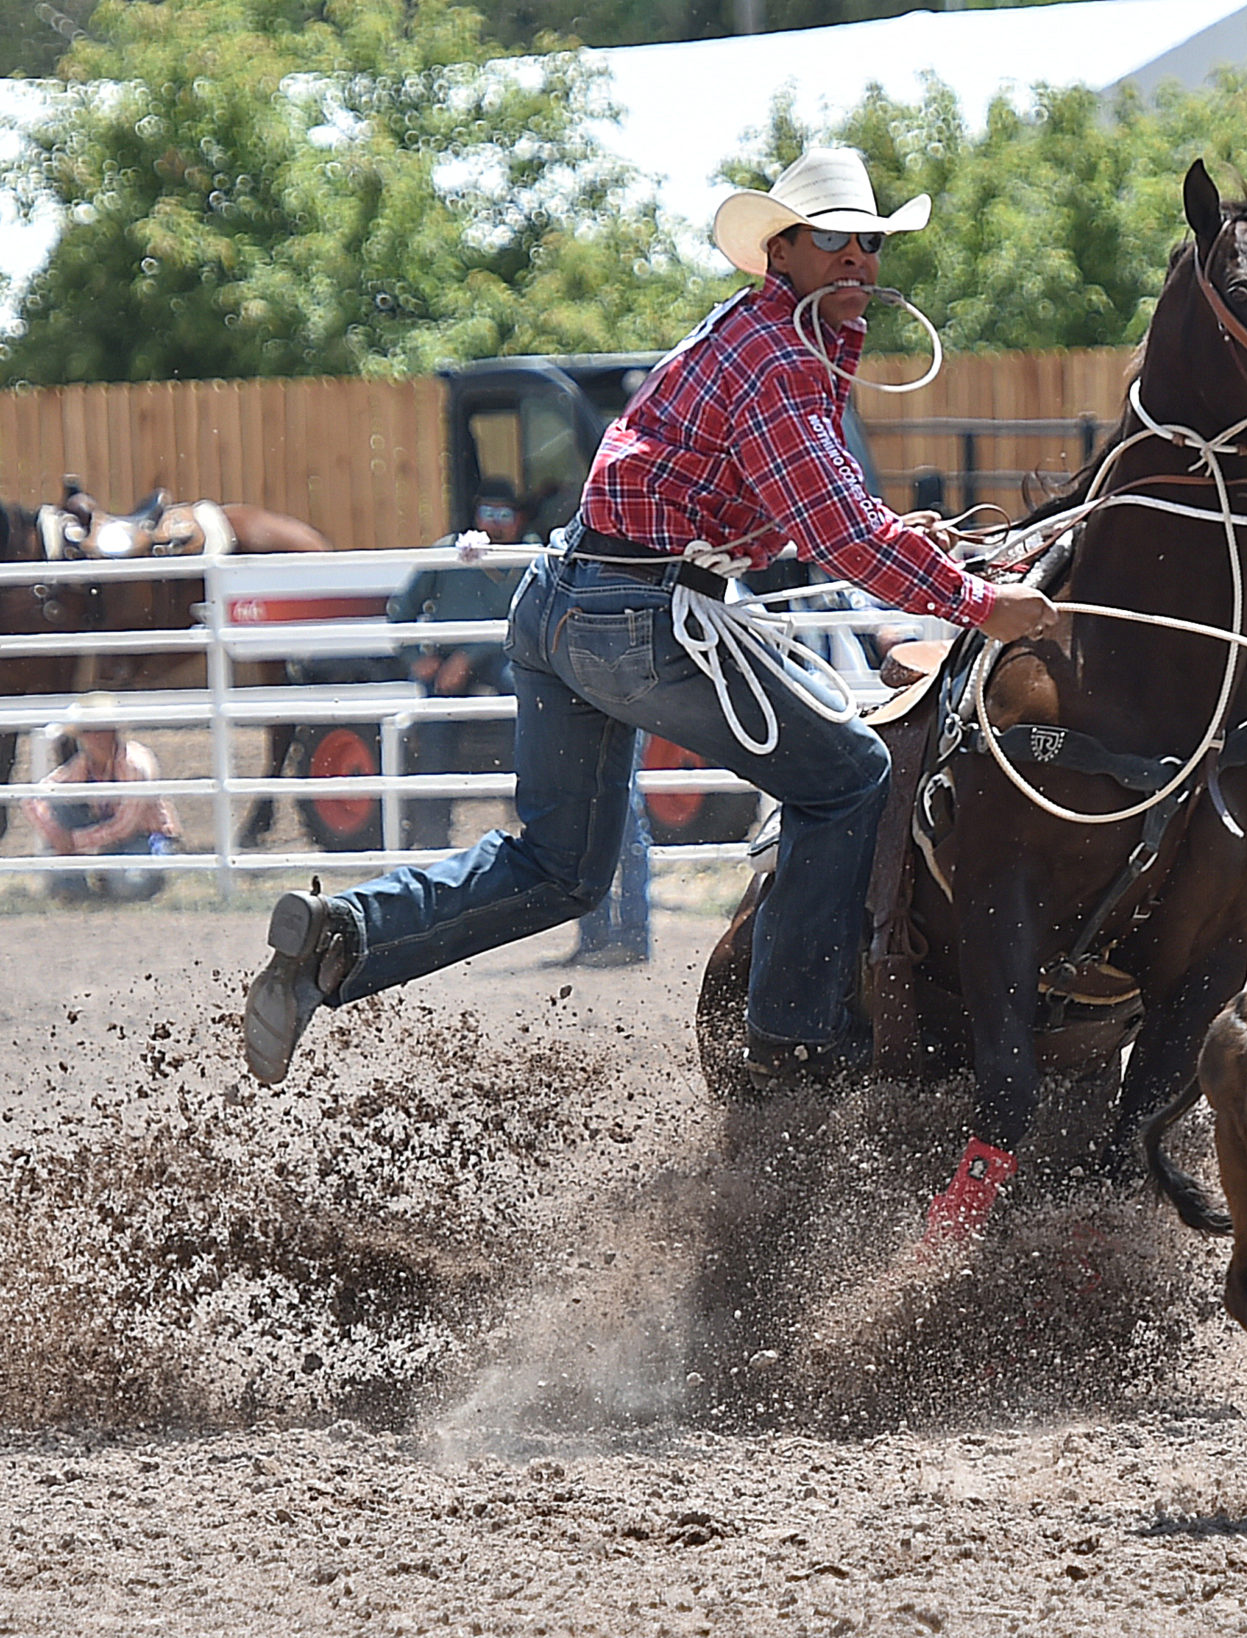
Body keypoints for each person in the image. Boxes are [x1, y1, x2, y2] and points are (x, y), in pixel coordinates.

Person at [243, 147, 1054, 1231]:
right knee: (851, 777)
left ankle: (342, 936)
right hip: (638, 617)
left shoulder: (764, 340)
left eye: (871, 242)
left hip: (567, 604)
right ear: (785, 251)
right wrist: (976, 605)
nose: (859, 257)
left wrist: (900, 544)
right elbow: (832, 532)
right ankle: (790, 1041)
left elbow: (803, 514)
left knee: (556, 867)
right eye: (836, 239)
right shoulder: (778, 358)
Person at [386, 478, 526, 850]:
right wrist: (417, 658)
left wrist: (469, 655)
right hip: (446, 661)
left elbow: (521, 620)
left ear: (517, 520)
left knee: (524, 697)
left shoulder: (528, 558)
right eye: (488, 514)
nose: (495, 523)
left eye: (504, 515)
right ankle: (432, 835)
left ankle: (526, 812)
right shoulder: (448, 553)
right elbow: (400, 611)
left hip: (502, 657)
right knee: (435, 726)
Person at [24, 693, 180, 901]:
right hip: (110, 835)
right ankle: (75, 883)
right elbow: (35, 797)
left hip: (144, 837)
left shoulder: (134, 764)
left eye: (101, 728)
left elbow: (125, 826)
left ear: (114, 730)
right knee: (60, 805)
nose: (95, 736)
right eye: (87, 730)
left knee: (129, 888)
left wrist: (72, 842)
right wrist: (55, 833)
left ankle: (147, 875)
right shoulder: (83, 764)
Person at [557, 730, 653, 968]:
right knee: (603, 825)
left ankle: (625, 938)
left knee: (617, 829)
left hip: (608, 715)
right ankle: (606, 937)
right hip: (606, 713)